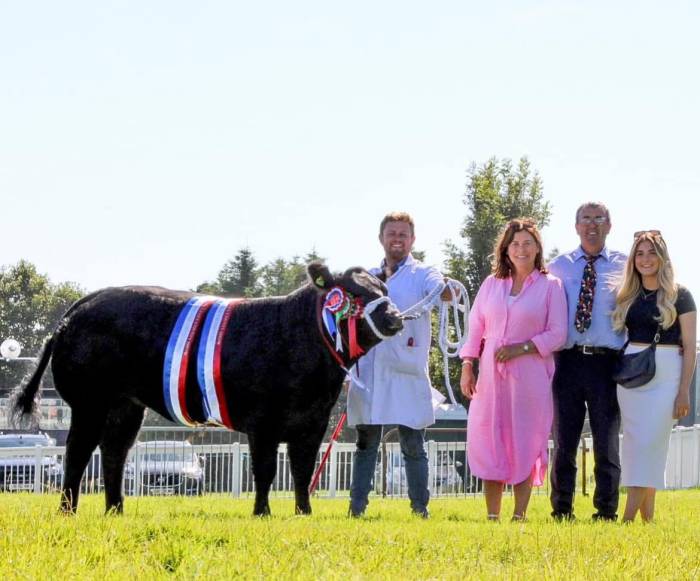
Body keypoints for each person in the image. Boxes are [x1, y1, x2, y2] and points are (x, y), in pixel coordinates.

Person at [459, 218, 567, 521]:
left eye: (527, 243)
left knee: (525, 438)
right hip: (491, 377)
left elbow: (558, 333)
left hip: (530, 375)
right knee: (488, 436)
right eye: (515, 243)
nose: (521, 249)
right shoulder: (492, 285)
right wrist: (468, 365)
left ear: (537, 249)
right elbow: (476, 328)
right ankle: (493, 515)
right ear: (505, 249)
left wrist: (523, 348)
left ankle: (519, 514)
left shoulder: (550, 286)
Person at [347, 211, 449, 518]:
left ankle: (420, 509)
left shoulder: (423, 274)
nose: (397, 239)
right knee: (366, 444)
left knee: (413, 444)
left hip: (406, 369)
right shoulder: (366, 277)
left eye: (403, 234)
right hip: (370, 370)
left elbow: (440, 287)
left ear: (412, 240)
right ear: (381, 238)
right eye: (392, 234)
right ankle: (357, 509)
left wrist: (448, 289)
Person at [548, 202, 627, 521]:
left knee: (606, 440)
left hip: (607, 364)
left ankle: (606, 510)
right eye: (586, 219)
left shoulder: (626, 265)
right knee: (564, 440)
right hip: (567, 361)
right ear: (576, 225)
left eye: (599, 219)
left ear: (609, 225)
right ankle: (561, 509)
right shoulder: (558, 266)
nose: (592, 224)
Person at [611, 230, 696, 523]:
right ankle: (647, 521)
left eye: (651, 253)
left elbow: (690, 345)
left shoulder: (679, 294)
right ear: (633, 259)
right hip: (633, 377)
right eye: (640, 253)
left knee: (651, 444)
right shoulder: (628, 294)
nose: (645, 259)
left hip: (668, 374)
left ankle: (627, 519)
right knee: (635, 445)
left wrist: (684, 389)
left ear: (662, 257)